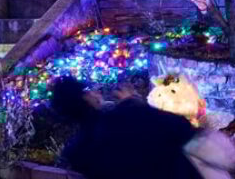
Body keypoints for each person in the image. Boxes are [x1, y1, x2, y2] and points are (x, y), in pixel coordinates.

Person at [52, 75, 202, 179]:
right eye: (88, 91)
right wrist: (133, 103)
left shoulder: (76, 152)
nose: (95, 92)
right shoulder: (127, 115)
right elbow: (182, 128)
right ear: (85, 98)